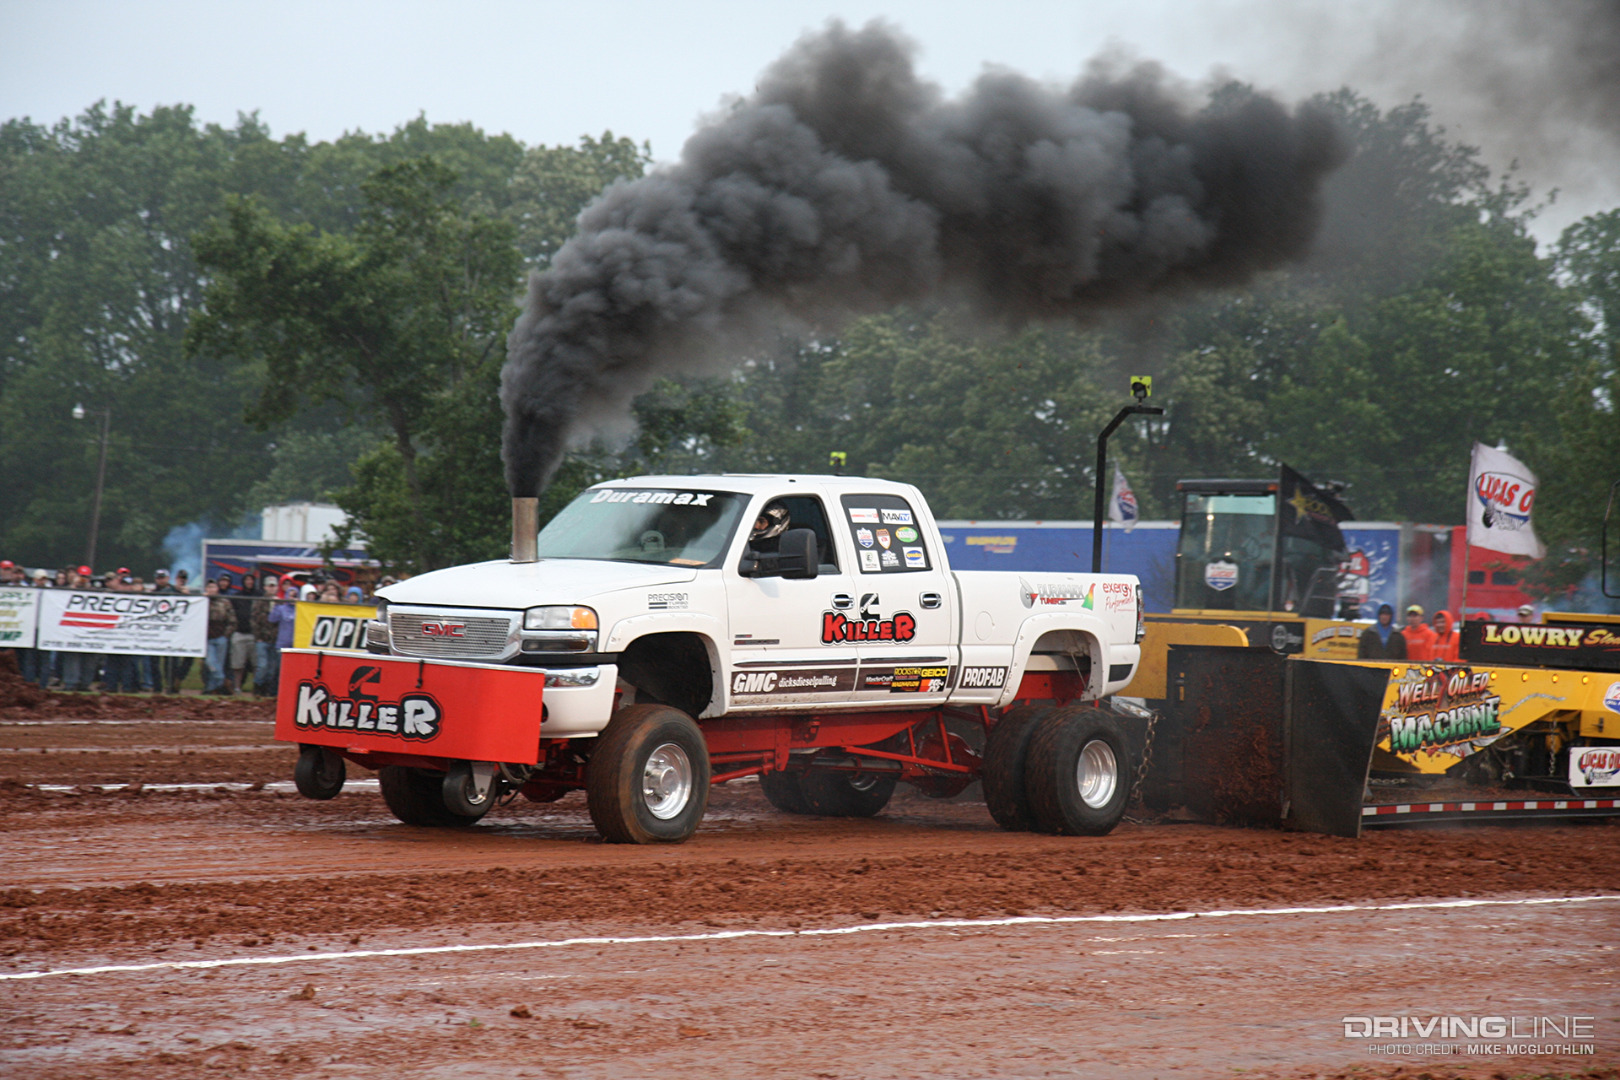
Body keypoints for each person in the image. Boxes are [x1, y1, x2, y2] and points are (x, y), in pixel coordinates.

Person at [250, 574, 283, 697]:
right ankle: (257, 687)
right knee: (262, 665)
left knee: (272, 668)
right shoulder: (260, 602)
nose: (271, 588)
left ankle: (266, 690)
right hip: (262, 639)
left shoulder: (281, 603)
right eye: (269, 586)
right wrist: (257, 636)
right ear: (265, 587)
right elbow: (254, 620)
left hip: (276, 639)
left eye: (273, 586)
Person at [203, 579, 236, 694]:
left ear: (217, 589)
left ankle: (212, 689)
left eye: (213, 587)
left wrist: (226, 635)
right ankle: (222, 680)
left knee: (219, 664)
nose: (211, 589)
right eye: (209, 587)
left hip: (221, 637)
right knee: (211, 663)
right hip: (207, 639)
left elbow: (232, 620)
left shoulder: (225, 602)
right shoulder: (202, 601)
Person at [227, 573, 258, 694]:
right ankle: (237, 688)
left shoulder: (259, 595)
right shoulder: (237, 596)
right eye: (247, 580)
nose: (249, 582)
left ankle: (256, 688)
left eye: (251, 580)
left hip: (254, 634)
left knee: (256, 664)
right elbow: (231, 613)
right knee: (238, 664)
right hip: (239, 632)